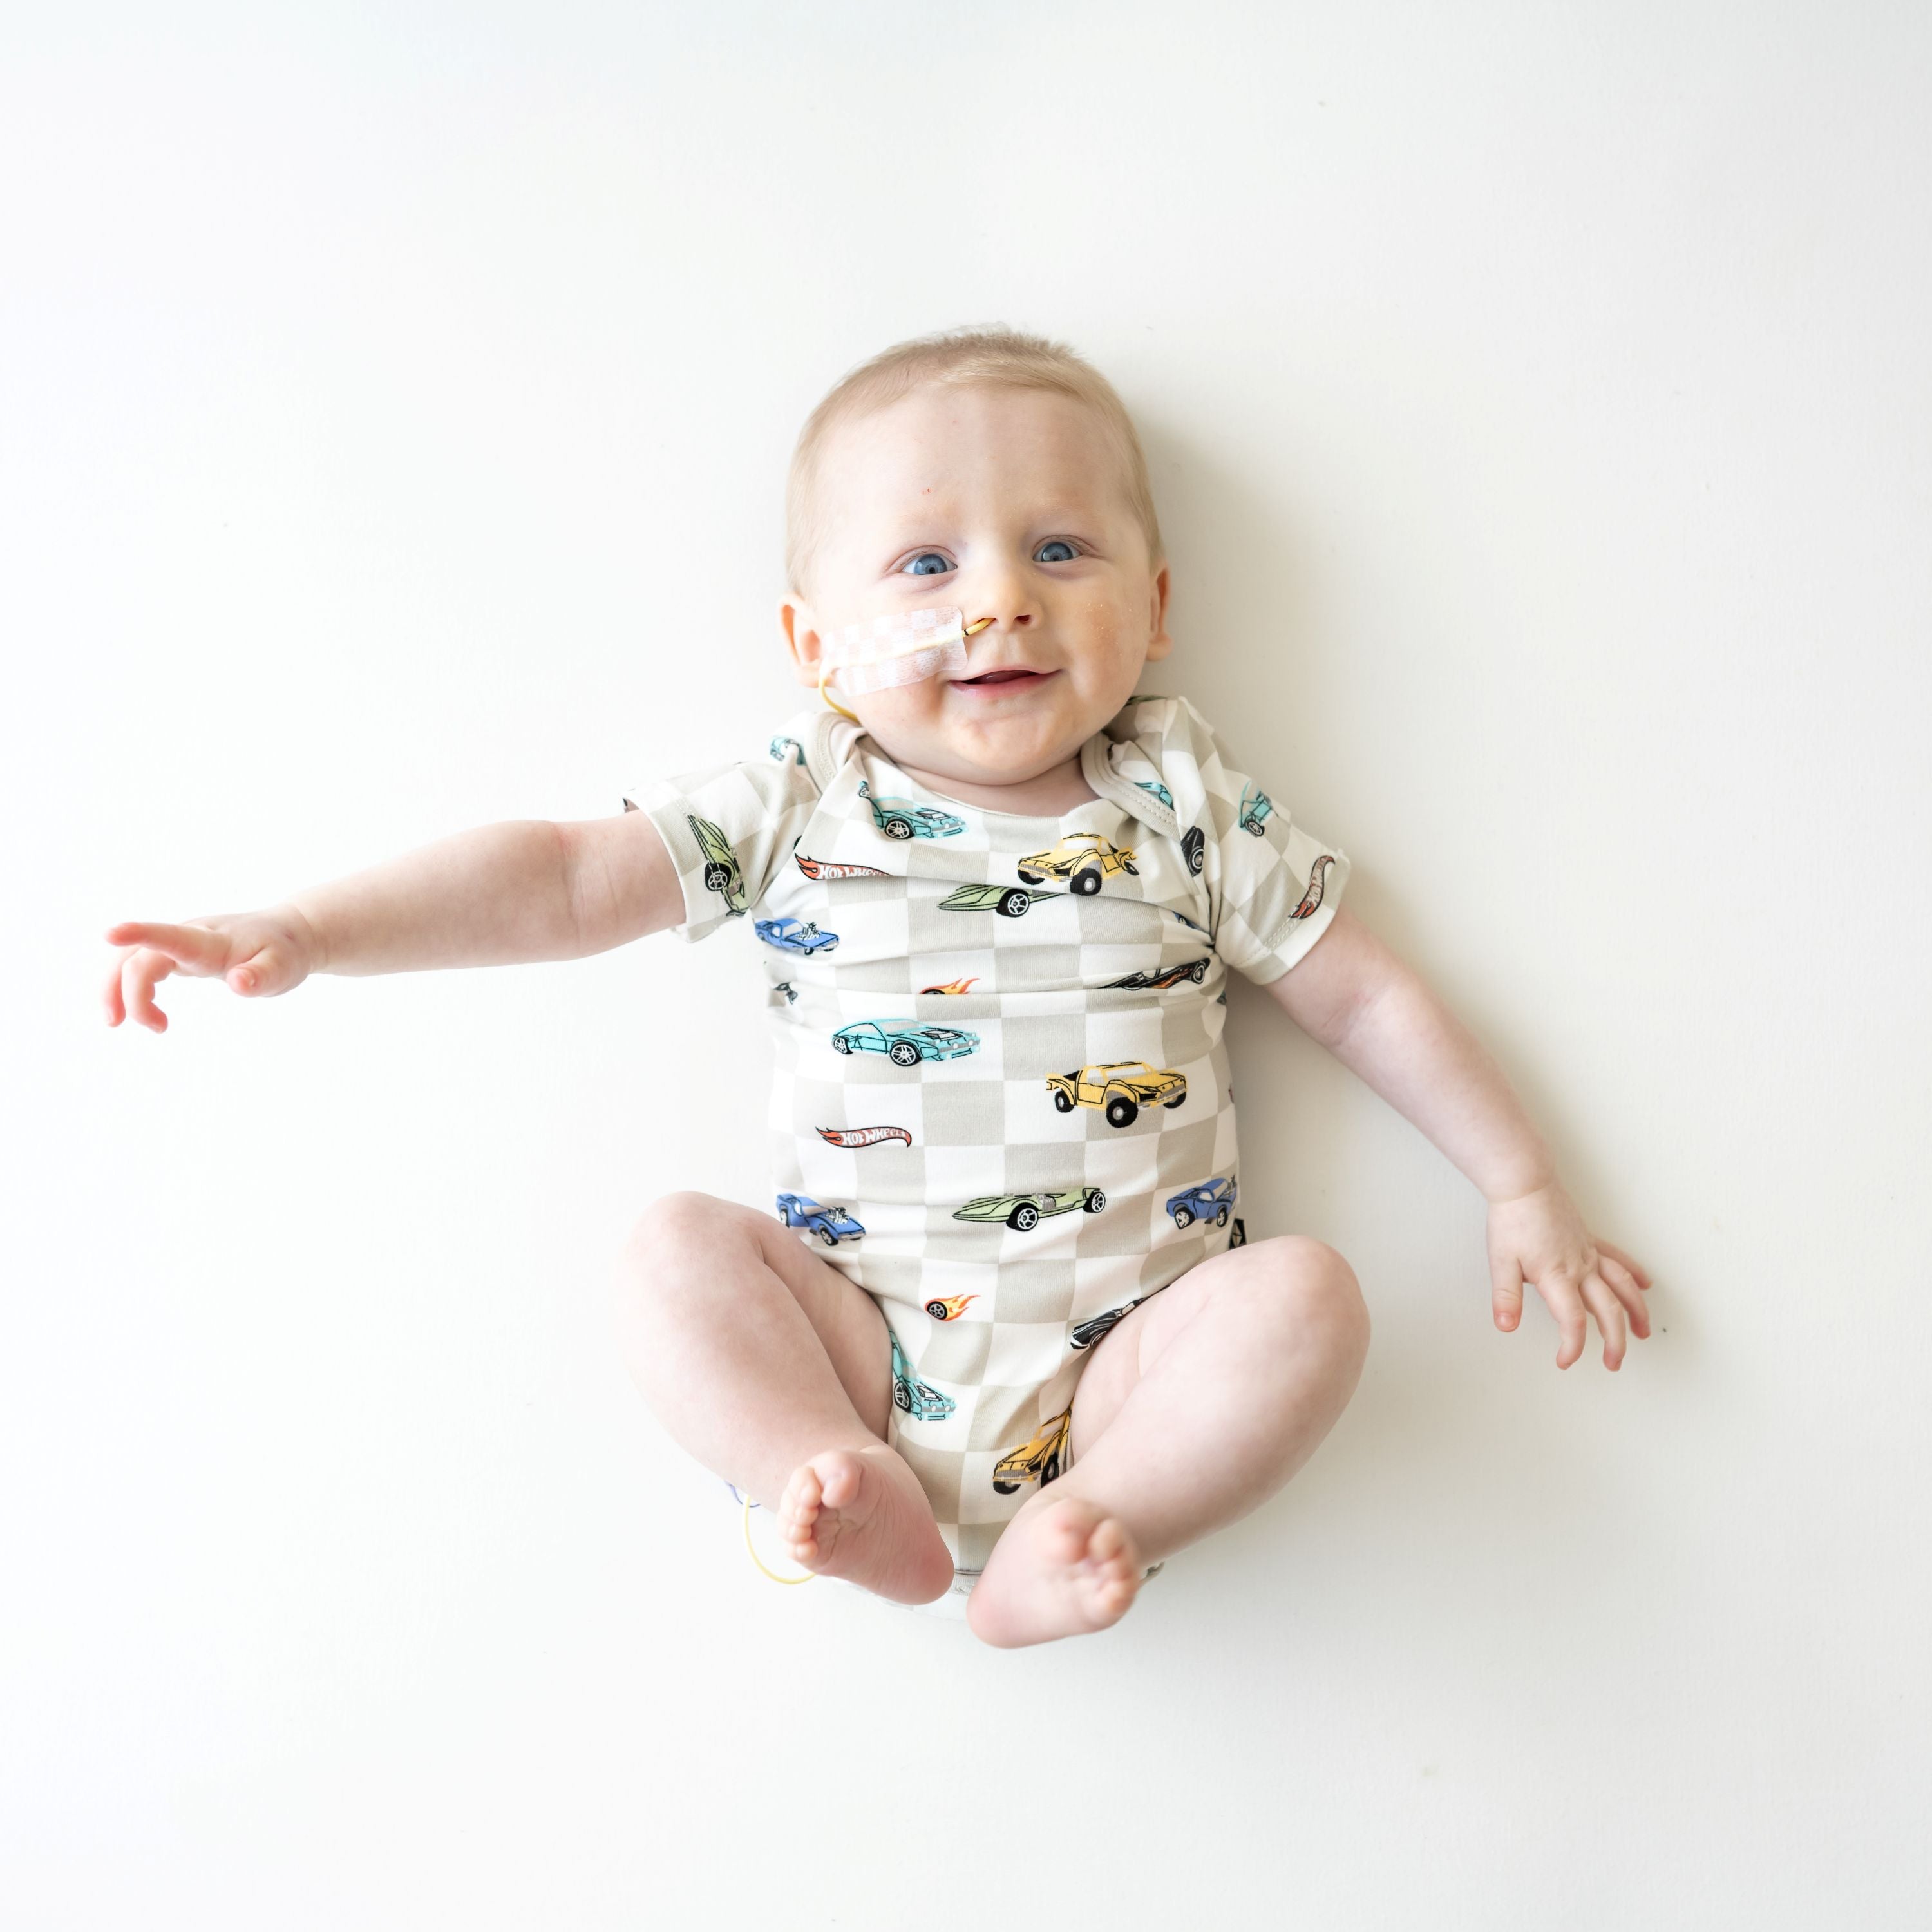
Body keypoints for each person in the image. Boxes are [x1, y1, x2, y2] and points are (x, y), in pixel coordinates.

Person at [102, 327, 1652, 1649]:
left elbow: (1363, 997)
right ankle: (824, 1480)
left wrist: (1518, 1182)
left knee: (1308, 1299)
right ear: (818, 646)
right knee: (670, 1257)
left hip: (1136, 1361)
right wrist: (309, 927)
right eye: (927, 563)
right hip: (868, 1340)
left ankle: (1091, 1528)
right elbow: (566, 878)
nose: (1000, 601)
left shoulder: (1182, 798)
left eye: (1060, 549)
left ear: (1158, 609)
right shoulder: (798, 797)